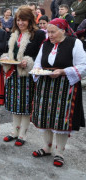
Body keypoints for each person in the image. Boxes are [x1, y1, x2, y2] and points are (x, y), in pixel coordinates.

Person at [31, 18, 86, 167]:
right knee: (45, 117)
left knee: (61, 119)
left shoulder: (75, 43)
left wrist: (63, 71)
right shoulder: (45, 44)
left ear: (62, 31)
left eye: (53, 32)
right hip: (45, 85)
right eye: (48, 32)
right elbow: (38, 62)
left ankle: (59, 153)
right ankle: (47, 147)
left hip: (65, 86)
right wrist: (37, 71)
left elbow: (83, 66)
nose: (50, 35)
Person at [0, 6, 45, 146]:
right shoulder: (14, 33)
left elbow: (41, 55)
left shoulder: (38, 34)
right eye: (18, 20)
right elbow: (9, 51)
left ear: (30, 20)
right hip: (13, 73)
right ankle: (14, 131)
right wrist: (7, 58)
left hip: (27, 75)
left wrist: (29, 61)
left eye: (24, 20)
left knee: (25, 106)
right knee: (14, 104)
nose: (20, 23)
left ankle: (23, 134)